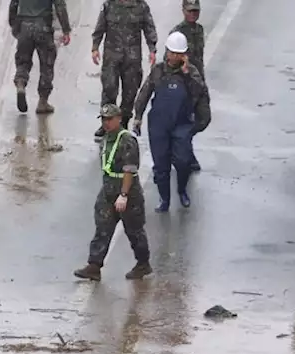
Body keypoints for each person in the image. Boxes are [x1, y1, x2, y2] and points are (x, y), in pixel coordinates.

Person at [131, 31, 211, 211]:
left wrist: (187, 74)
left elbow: (200, 93)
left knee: (183, 162)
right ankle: (164, 199)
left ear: (184, 55)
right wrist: (137, 118)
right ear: (167, 51)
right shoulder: (158, 70)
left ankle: (182, 190)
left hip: (181, 125)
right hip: (159, 125)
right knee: (161, 165)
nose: (174, 56)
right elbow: (144, 93)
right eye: (172, 52)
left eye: (179, 53)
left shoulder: (192, 72)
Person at [74, 104, 150, 282]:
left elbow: (129, 170)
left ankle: (143, 263)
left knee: (134, 230)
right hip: (108, 189)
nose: (106, 123)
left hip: (127, 192)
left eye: (109, 119)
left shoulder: (127, 141)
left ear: (118, 119)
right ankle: (94, 265)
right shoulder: (106, 139)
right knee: (102, 227)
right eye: (103, 119)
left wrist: (123, 195)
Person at [90, 0, 158, 139]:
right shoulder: (109, 5)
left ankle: (124, 122)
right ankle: (107, 123)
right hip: (112, 57)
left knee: (130, 92)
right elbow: (100, 27)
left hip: (132, 59)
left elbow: (149, 27)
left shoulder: (141, 6)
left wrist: (152, 49)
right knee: (109, 90)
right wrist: (95, 47)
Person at [9, 0, 71, 114]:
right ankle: (43, 101)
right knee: (47, 63)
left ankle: (21, 82)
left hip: (24, 26)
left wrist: (14, 25)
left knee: (23, 60)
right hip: (43, 27)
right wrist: (66, 30)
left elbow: (13, 4)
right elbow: (60, 6)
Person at [171, 0, 205, 82]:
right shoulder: (177, 32)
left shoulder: (199, 29)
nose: (193, 14)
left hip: (198, 76)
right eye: (189, 11)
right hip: (183, 77)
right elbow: (169, 59)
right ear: (183, 11)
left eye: (195, 11)